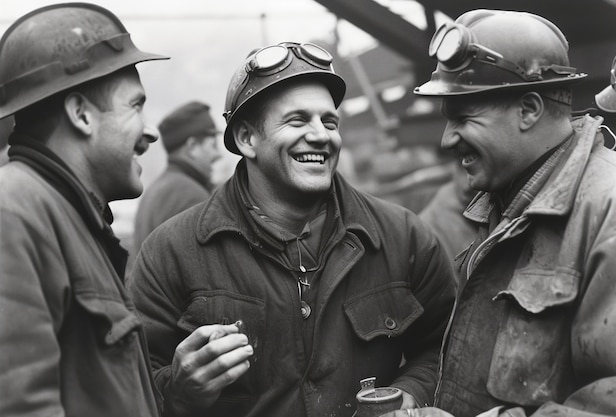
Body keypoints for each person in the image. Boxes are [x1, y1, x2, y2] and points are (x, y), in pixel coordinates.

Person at [128, 41, 457, 417]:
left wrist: (408, 396)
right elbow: (129, 383)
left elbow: (445, 346)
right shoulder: (172, 252)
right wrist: (180, 390)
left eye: (329, 122)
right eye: (297, 120)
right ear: (246, 139)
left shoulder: (403, 238)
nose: (321, 135)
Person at [384, 9, 616, 417]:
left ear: (529, 110)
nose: (447, 140)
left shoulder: (612, 212)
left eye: (463, 118)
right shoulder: (503, 205)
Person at [0, 4, 168, 416]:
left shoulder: (72, 217)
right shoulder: (13, 213)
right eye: (135, 105)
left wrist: (180, 393)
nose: (151, 131)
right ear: (81, 115)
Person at [133, 101, 221, 254]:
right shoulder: (191, 195)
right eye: (213, 145)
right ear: (192, 146)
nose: (217, 155)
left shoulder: (158, 187)